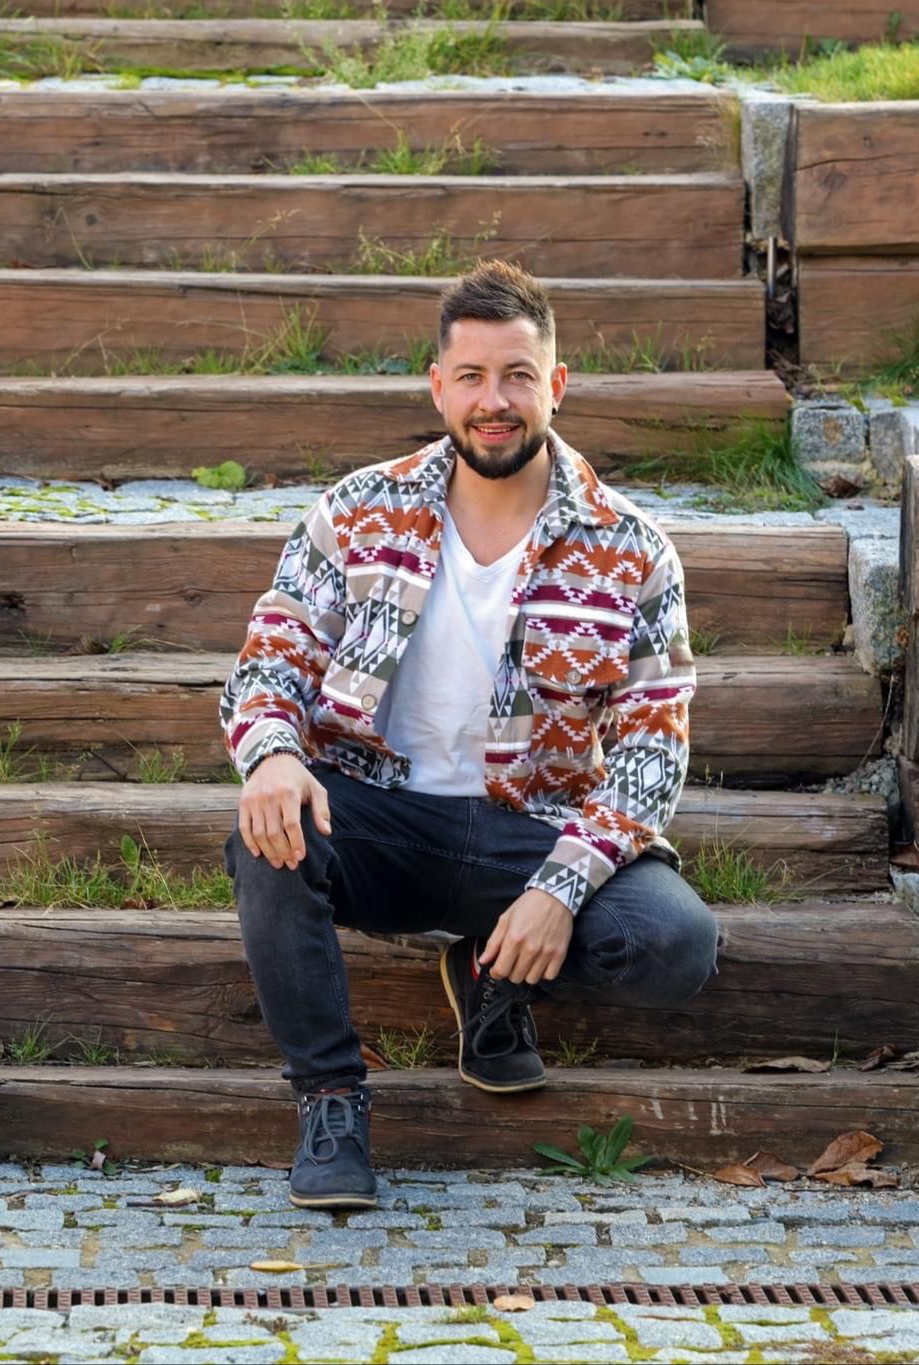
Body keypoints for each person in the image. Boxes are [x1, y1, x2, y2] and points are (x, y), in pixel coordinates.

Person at [219, 259, 718, 1209]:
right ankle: (331, 1099)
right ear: (438, 387)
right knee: (268, 836)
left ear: (556, 385)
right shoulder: (358, 510)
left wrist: (560, 889)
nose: (496, 401)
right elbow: (271, 657)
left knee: (673, 942)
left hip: (531, 831)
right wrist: (272, 753)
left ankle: (492, 972)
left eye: (519, 376)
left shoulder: (631, 549)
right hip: (380, 817)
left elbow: (654, 751)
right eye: (474, 376)